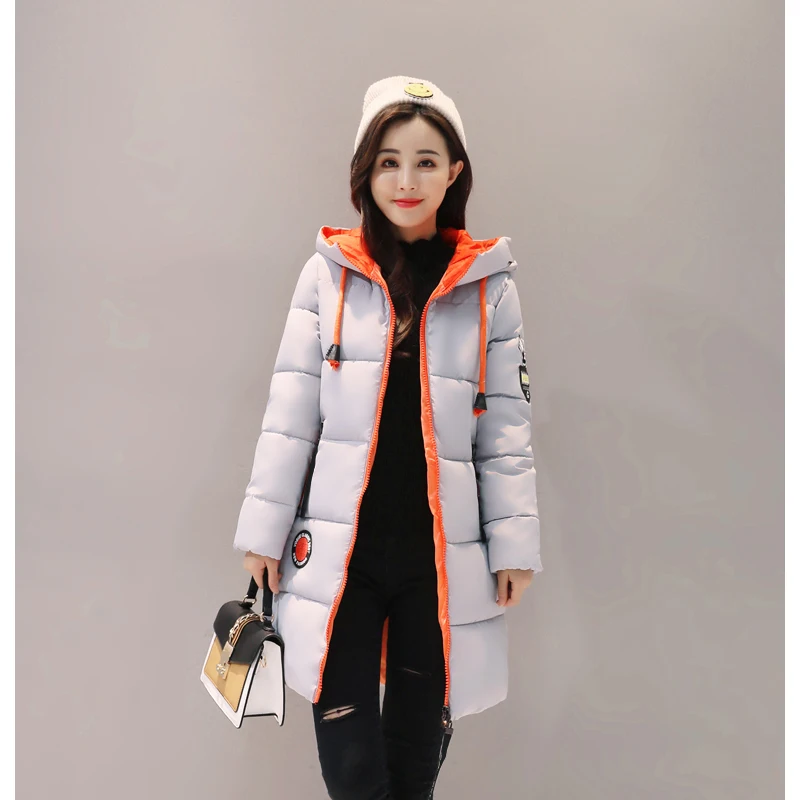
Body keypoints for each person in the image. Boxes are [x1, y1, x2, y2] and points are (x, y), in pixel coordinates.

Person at [233, 75, 543, 799]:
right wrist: (263, 534)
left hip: (439, 559)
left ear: (454, 172)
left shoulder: (489, 287)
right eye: (388, 162)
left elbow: (506, 430)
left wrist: (514, 547)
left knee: (413, 763)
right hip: (339, 554)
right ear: (364, 172)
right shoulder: (328, 275)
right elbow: (290, 412)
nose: (406, 181)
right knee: (352, 769)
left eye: (426, 161)